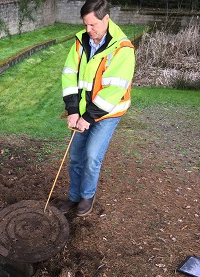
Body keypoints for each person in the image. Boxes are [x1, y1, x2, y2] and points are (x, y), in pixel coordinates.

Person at [59, 0, 135, 217]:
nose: (88, 30)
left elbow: (114, 90)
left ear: (107, 19)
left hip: (107, 114)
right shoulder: (80, 42)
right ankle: (73, 197)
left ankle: (87, 196)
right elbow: (69, 75)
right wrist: (73, 110)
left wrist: (88, 117)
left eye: (93, 25)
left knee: (92, 156)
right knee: (75, 156)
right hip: (82, 110)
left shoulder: (123, 49)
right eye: (85, 25)